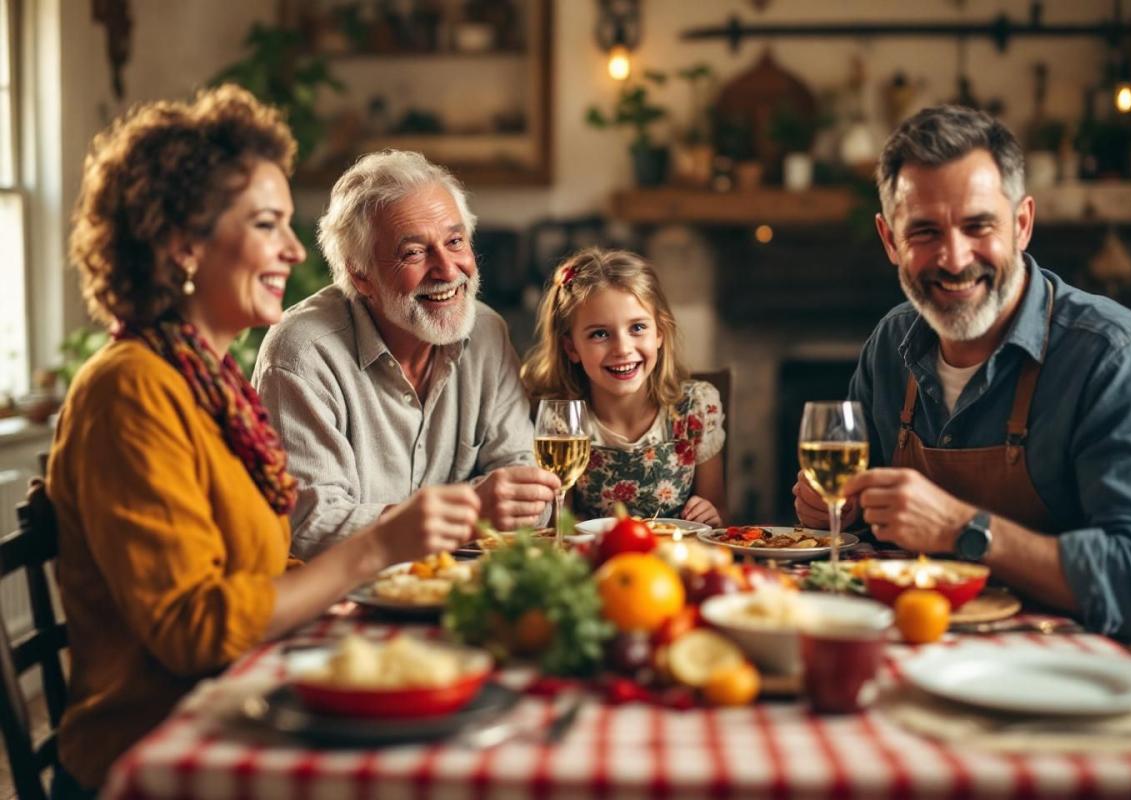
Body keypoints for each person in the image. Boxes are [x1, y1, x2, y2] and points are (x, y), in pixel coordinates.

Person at [47, 86, 481, 797]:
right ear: (183, 244)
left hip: (247, 705)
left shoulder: (208, 381)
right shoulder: (131, 389)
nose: (290, 247)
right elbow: (194, 630)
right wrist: (378, 545)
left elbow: (257, 568)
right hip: (161, 753)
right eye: (267, 224)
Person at [793, 104, 1131, 680]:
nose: (954, 259)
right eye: (925, 231)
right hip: (931, 645)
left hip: (1095, 663)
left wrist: (963, 529)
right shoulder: (890, 345)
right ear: (889, 239)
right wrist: (833, 507)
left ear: (1023, 223)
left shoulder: (1119, 357)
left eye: (978, 226)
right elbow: (856, 518)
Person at [252, 150, 558, 558]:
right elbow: (309, 527)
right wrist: (471, 510)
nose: (448, 270)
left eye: (455, 242)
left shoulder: (488, 333)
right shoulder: (302, 354)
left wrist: (504, 502)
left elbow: (528, 492)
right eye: (414, 253)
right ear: (361, 275)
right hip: (343, 605)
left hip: (462, 589)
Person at [522, 248, 726, 524]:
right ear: (571, 347)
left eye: (637, 328)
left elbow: (721, 513)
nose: (622, 349)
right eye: (600, 334)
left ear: (660, 333)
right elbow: (561, 522)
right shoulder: (560, 422)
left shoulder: (696, 407)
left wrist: (711, 514)